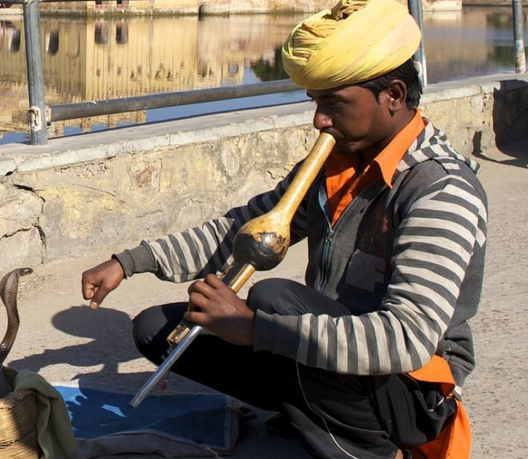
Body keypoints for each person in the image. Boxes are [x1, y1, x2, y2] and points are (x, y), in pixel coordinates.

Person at [81, 0, 488, 457]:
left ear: (393, 95)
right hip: (325, 352)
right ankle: (311, 408)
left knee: (274, 300)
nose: (319, 120)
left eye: (335, 104)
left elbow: (405, 339)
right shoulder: (332, 165)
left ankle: (358, 445)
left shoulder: (440, 189)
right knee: (158, 329)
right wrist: (131, 262)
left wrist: (256, 330)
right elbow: (244, 228)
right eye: (316, 103)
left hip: (410, 390)